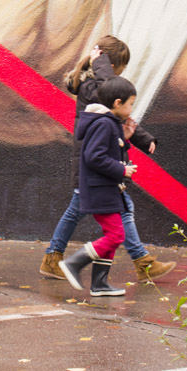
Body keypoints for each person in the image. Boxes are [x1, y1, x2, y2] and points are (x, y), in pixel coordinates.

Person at [39, 37, 176, 284]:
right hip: (95, 165)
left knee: (87, 210)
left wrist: (142, 138)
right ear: (110, 65)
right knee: (119, 210)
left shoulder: (97, 84)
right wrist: (101, 62)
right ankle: (141, 262)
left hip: (97, 165)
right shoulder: (92, 86)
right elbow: (110, 95)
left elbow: (121, 116)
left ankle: (53, 258)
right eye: (120, 66)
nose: (122, 72)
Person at [58, 76, 138, 297]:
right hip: (99, 190)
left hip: (105, 189)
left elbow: (107, 151)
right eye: (131, 103)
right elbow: (94, 157)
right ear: (117, 103)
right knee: (115, 236)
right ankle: (74, 263)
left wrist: (125, 139)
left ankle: (100, 283)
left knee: (112, 235)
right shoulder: (103, 123)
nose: (132, 108)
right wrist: (122, 170)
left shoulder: (108, 123)